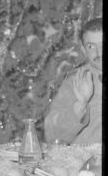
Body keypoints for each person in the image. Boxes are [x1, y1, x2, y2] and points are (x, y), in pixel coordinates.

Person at [44, 17, 102, 145]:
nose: (99, 52)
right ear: (83, 50)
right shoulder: (75, 81)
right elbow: (51, 135)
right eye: (91, 46)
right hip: (88, 161)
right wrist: (80, 106)